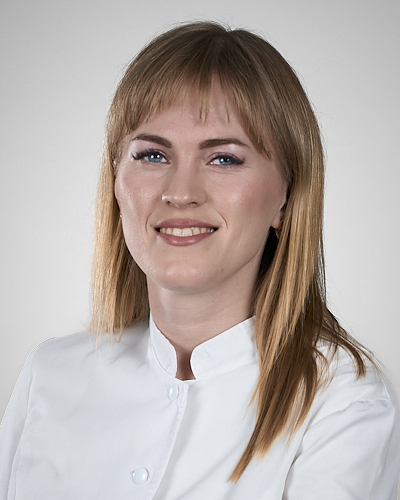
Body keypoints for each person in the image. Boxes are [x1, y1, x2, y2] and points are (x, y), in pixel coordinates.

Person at [1, 21, 399, 499]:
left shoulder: (342, 402)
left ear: (287, 197)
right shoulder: (49, 375)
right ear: (116, 181)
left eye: (224, 159)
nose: (180, 192)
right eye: (152, 155)